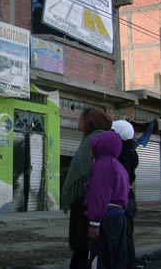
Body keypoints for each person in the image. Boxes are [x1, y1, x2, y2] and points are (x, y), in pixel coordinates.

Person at [61, 108, 113, 269]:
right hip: (83, 202)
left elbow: (97, 179)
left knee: (83, 247)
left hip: (87, 204)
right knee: (80, 247)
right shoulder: (89, 140)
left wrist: (94, 220)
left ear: (89, 121)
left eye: (80, 118)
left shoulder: (95, 141)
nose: (78, 121)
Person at [85, 131, 129, 269]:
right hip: (119, 219)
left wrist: (94, 222)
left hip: (106, 220)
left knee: (101, 258)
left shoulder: (101, 166)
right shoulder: (120, 167)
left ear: (101, 147)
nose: (90, 151)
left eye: (92, 147)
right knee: (116, 258)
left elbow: (99, 194)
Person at [112, 120, 139, 269]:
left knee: (122, 238)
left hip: (120, 199)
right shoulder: (131, 151)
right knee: (127, 236)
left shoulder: (119, 153)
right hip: (128, 197)